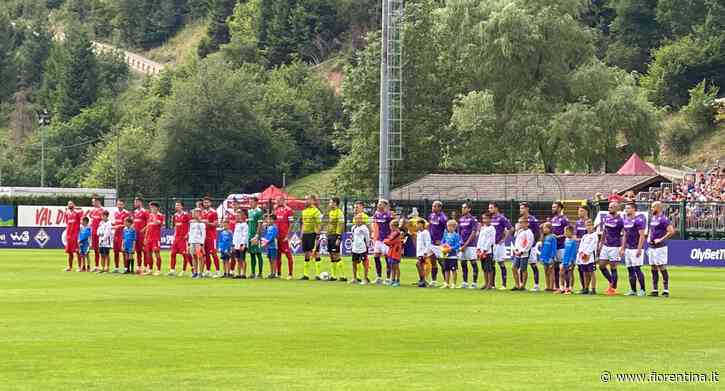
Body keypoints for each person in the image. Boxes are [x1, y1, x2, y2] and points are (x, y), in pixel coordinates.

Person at [648, 201, 675, 297]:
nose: (651, 209)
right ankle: (654, 289)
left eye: (652, 207)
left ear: (658, 208)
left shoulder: (664, 219)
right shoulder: (653, 218)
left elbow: (671, 231)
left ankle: (665, 290)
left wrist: (661, 239)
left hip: (660, 247)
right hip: (652, 246)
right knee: (653, 266)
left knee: (661, 266)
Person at [598, 201, 624, 296]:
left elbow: (624, 233)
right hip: (606, 245)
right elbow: (605, 231)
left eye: (612, 207)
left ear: (617, 209)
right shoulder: (607, 217)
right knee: (601, 265)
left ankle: (613, 288)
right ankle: (611, 282)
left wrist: (622, 247)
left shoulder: (620, 220)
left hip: (615, 246)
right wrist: (601, 242)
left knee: (613, 266)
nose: (609, 209)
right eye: (609, 207)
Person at [622, 202, 647, 296]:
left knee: (637, 269)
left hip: (635, 248)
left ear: (633, 209)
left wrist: (639, 249)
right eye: (626, 208)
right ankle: (633, 290)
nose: (626, 210)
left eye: (628, 208)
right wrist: (623, 248)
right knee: (630, 269)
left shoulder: (639, 220)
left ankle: (642, 290)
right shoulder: (625, 220)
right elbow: (625, 235)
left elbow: (642, 236)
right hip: (628, 249)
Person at [489, 202, 512, 290]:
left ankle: (504, 284)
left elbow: (510, 228)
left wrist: (504, 239)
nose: (489, 209)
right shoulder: (491, 218)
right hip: (491, 244)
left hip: (499, 244)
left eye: (491, 208)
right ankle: (492, 284)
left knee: (501, 263)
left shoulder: (501, 218)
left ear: (496, 208)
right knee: (492, 264)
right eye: (489, 208)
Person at [519, 202, 541, 291]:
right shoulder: (520, 219)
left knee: (533, 265)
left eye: (522, 208)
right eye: (520, 208)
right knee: (521, 266)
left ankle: (536, 285)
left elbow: (537, 232)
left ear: (527, 209)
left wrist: (533, 243)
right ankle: (521, 284)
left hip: (531, 247)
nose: (520, 210)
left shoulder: (533, 220)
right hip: (522, 247)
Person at [300, 196, 322, 280]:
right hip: (305, 234)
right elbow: (303, 224)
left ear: (312, 201)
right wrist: (301, 236)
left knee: (316, 253)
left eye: (307, 199)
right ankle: (305, 274)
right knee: (306, 253)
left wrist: (318, 234)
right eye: (305, 199)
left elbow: (319, 224)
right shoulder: (304, 211)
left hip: (313, 234)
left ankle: (318, 274)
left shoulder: (316, 211)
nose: (306, 201)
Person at [458, 203, 480, 289]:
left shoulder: (473, 220)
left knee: (473, 263)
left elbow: (473, 233)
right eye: (462, 208)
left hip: (471, 245)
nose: (463, 209)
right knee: (463, 263)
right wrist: (461, 243)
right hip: (462, 244)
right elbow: (459, 232)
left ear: (469, 209)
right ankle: (465, 282)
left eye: (465, 208)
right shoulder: (461, 219)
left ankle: (474, 283)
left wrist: (466, 244)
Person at [372, 199, 394, 284]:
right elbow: (375, 226)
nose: (378, 205)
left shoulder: (389, 215)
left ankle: (388, 278)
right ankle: (379, 277)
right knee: (376, 256)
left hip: (386, 240)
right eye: (378, 204)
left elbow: (393, 227)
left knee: (387, 259)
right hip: (378, 239)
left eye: (380, 204)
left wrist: (391, 239)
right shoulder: (376, 214)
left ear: (385, 206)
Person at [274, 196, 295, 279]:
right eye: (276, 200)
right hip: (277, 236)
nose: (277, 202)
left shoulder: (288, 210)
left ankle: (290, 274)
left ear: (282, 200)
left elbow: (291, 223)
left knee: (288, 255)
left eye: (278, 200)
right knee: (277, 255)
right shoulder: (275, 209)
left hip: (284, 236)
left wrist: (287, 235)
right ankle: (278, 273)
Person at [574, 205, 595, 292]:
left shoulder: (590, 222)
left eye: (581, 211)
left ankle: (591, 288)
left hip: (588, 252)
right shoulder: (578, 222)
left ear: (586, 212)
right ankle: (584, 287)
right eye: (579, 211)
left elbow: (593, 238)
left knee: (590, 270)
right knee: (581, 269)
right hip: (580, 249)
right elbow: (575, 236)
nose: (579, 213)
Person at [550, 201, 570, 290]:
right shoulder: (553, 219)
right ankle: (558, 287)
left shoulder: (564, 219)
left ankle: (567, 286)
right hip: (554, 247)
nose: (553, 209)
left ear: (559, 208)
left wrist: (558, 236)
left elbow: (569, 233)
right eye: (552, 207)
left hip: (562, 246)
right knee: (555, 267)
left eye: (554, 207)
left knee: (564, 267)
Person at [427, 200, 447, 287]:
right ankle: (434, 281)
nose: (433, 208)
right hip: (431, 243)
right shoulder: (431, 215)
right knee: (432, 262)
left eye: (435, 206)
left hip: (439, 244)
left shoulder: (443, 218)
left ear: (439, 207)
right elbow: (430, 226)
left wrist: (442, 240)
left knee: (442, 262)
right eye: (432, 206)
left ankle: (446, 281)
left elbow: (447, 229)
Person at [200, 196, 221, 277]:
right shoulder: (202, 212)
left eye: (207, 202)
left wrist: (207, 223)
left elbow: (216, 224)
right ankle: (208, 270)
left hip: (212, 236)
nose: (206, 204)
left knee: (214, 253)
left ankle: (218, 271)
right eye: (205, 202)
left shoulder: (214, 212)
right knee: (206, 254)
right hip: (203, 236)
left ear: (210, 203)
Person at [169, 201, 191, 277]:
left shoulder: (186, 215)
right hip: (176, 238)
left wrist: (188, 234)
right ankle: (172, 270)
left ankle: (184, 270)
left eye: (178, 205)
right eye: (176, 205)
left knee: (185, 254)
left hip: (183, 238)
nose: (176, 206)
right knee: (173, 253)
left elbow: (190, 225)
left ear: (182, 206)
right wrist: (174, 235)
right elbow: (175, 226)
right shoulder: (175, 215)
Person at [512, 217, 534, 291]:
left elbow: (529, 243)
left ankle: (523, 286)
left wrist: (523, 251)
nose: (520, 224)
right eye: (519, 222)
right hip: (517, 253)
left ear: (526, 223)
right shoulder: (520, 231)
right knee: (514, 268)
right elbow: (517, 241)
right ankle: (517, 285)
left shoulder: (529, 232)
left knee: (523, 269)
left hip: (524, 254)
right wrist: (515, 250)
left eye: (521, 222)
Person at [327, 197, 346, 282]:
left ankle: (343, 275)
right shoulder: (331, 212)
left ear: (335, 203)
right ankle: (333, 276)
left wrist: (339, 237)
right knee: (331, 255)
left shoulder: (339, 213)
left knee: (336, 255)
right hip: (330, 235)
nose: (329, 204)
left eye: (330, 202)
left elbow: (341, 225)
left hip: (335, 235)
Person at [577, 220, 598, 294]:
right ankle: (586, 288)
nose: (589, 227)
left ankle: (593, 289)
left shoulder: (595, 235)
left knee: (592, 272)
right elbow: (581, 245)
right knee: (585, 273)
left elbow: (592, 246)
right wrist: (581, 253)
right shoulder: (584, 236)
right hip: (583, 257)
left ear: (593, 226)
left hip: (590, 257)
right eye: (587, 225)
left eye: (590, 225)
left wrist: (586, 254)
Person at [353, 201, 372, 283]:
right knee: (355, 261)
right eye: (354, 207)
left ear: (362, 207)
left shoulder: (365, 217)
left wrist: (369, 240)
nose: (355, 209)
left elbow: (369, 229)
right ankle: (355, 277)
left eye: (357, 207)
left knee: (364, 260)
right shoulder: (355, 219)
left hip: (363, 244)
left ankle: (365, 277)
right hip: (355, 245)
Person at [476, 213, 496, 290]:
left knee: (489, 268)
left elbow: (490, 240)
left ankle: (490, 284)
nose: (485, 220)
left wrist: (485, 250)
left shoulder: (492, 228)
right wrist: (478, 249)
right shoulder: (482, 228)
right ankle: (486, 282)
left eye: (486, 219)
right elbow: (480, 239)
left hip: (488, 251)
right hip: (481, 251)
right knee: (484, 268)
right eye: (483, 219)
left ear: (490, 219)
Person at [144, 201, 164, 276]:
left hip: (156, 238)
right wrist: (145, 237)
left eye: (152, 207)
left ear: (157, 208)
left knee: (157, 253)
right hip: (149, 237)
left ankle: (158, 270)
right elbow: (148, 227)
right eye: (150, 207)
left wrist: (155, 215)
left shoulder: (160, 215)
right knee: (148, 254)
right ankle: (150, 269)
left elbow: (156, 223)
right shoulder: (150, 215)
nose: (151, 208)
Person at [247, 197, 264, 279]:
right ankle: (253, 273)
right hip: (250, 236)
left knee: (258, 253)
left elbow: (260, 224)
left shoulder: (259, 211)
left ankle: (260, 273)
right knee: (252, 254)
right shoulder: (249, 211)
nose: (250, 203)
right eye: (249, 202)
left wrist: (257, 235)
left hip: (256, 236)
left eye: (252, 202)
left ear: (256, 202)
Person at [441, 220, 461, 289]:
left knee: (453, 269)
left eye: (451, 226)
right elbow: (442, 241)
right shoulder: (445, 234)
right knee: (446, 269)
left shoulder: (456, 235)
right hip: (446, 255)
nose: (449, 227)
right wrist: (443, 247)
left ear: (455, 227)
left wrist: (451, 248)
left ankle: (454, 284)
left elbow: (458, 244)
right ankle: (446, 283)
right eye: (448, 226)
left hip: (453, 255)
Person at [63, 201, 83, 272]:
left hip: (75, 235)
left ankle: (79, 267)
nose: (70, 205)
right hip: (69, 235)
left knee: (77, 251)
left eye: (71, 204)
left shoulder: (77, 213)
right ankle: (69, 267)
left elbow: (82, 211)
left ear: (74, 205)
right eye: (68, 204)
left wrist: (76, 207)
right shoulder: (67, 214)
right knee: (69, 252)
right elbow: (67, 223)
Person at [350, 214, 370, 284]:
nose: (358, 220)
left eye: (359, 219)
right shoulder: (353, 228)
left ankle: (365, 279)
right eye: (356, 219)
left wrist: (367, 246)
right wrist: (352, 246)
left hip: (362, 248)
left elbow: (367, 238)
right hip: (355, 248)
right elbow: (352, 237)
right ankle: (354, 278)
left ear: (362, 220)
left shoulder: (364, 228)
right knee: (354, 263)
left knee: (364, 263)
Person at [111, 200, 130, 273]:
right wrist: (112, 225)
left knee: (124, 251)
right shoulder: (115, 213)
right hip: (116, 234)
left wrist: (119, 226)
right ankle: (116, 268)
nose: (119, 206)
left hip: (124, 234)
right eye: (118, 204)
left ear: (123, 205)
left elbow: (128, 224)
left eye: (121, 204)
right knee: (115, 251)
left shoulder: (126, 213)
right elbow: (114, 223)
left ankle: (126, 268)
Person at [383, 220, 403, 287]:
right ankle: (393, 280)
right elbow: (389, 241)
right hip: (392, 251)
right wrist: (387, 241)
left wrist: (385, 241)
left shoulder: (396, 233)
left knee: (396, 266)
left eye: (390, 226)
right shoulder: (393, 232)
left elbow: (389, 241)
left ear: (393, 226)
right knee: (392, 266)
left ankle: (397, 281)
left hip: (395, 251)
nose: (390, 227)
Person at [132, 197, 149, 274]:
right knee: (137, 251)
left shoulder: (145, 212)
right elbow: (134, 222)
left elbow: (149, 223)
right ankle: (138, 267)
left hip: (143, 235)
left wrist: (144, 229)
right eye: (134, 202)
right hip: (136, 234)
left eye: (136, 202)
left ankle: (146, 267)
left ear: (140, 202)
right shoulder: (135, 212)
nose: (134, 203)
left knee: (144, 251)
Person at [539, 223, 557, 291]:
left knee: (551, 272)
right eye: (544, 228)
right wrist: (541, 257)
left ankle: (552, 287)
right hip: (544, 257)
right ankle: (547, 286)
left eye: (546, 228)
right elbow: (542, 249)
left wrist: (552, 257)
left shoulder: (553, 237)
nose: (544, 229)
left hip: (550, 257)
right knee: (546, 272)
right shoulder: (544, 237)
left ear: (550, 229)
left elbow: (554, 248)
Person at [559, 226, 577, 294]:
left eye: (566, 232)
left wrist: (571, 261)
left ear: (571, 232)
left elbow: (573, 252)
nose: (565, 233)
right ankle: (562, 288)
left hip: (571, 260)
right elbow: (565, 250)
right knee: (561, 272)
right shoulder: (566, 240)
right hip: (565, 259)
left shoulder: (573, 241)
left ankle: (570, 288)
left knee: (570, 273)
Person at [88, 196, 105, 272]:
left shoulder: (103, 210)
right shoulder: (92, 211)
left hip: (100, 234)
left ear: (98, 202)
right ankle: (96, 266)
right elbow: (91, 221)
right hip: (94, 233)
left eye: (93, 201)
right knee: (95, 250)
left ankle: (103, 267)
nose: (92, 203)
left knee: (101, 250)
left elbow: (104, 222)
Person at [188, 209, 206, 279]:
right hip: (192, 242)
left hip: (198, 243)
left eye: (194, 213)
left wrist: (202, 244)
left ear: (199, 214)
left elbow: (203, 234)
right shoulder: (192, 223)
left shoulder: (201, 223)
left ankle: (200, 273)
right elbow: (190, 233)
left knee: (200, 257)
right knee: (194, 256)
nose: (193, 214)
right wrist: (189, 243)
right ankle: (195, 272)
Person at [415, 218, 433, 288]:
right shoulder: (419, 233)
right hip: (419, 253)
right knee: (420, 265)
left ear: (422, 224)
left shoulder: (426, 232)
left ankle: (423, 280)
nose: (417, 225)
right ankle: (422, 280)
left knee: (419, 264)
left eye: (418, 224)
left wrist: (425, 253)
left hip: (423, 253)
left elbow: (428, 243)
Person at [232, 209, 249, 279]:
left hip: (242, 245)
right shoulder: (237, 224)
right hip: (236, 245)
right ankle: (238, 273)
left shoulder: (245, 225)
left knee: (243, 259)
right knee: (238, 259)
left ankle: (243, 273)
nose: (237, 217)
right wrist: (233, 244)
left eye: (239, 215)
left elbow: (245, 235)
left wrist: (243, 244)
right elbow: (235, 235)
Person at [261, 214, 279, 279]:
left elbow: (272, 236)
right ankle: (271, 273)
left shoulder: (274, 227)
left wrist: (265, 242)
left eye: (271, 219)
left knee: (273, 259)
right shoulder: (269, 227)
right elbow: (267, 235)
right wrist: (264, 240)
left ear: (274, 220)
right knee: (270, 260)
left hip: (273, 246)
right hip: (269, 246)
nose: (269, 221)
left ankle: (274, 273)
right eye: (269, 219)